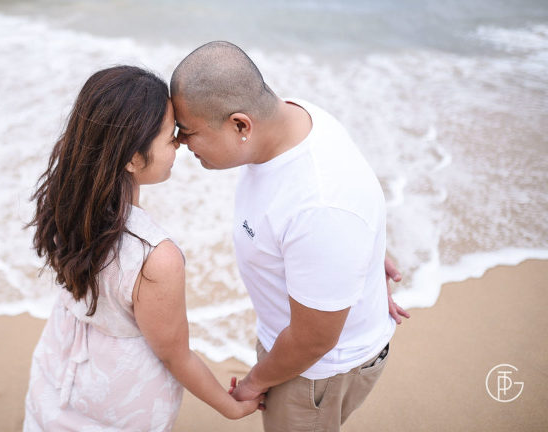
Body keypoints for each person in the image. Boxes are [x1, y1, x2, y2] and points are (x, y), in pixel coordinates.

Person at [170, 41, 410, 431]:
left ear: (240, 125)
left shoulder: (319, 206)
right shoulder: (294, 116)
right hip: (301, 347)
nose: (180, 144)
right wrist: (357, 260)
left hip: (315, 371)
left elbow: (313, 340)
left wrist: (254, 382)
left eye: (188, 132)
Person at [23, 65, 262, 431]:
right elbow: (175, 355)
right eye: (171, 137)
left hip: (56, 369)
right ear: (133, 158)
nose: (180, 144)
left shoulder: (65, 199)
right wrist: (228, 406)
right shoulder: (155, 257)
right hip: (117, 400)